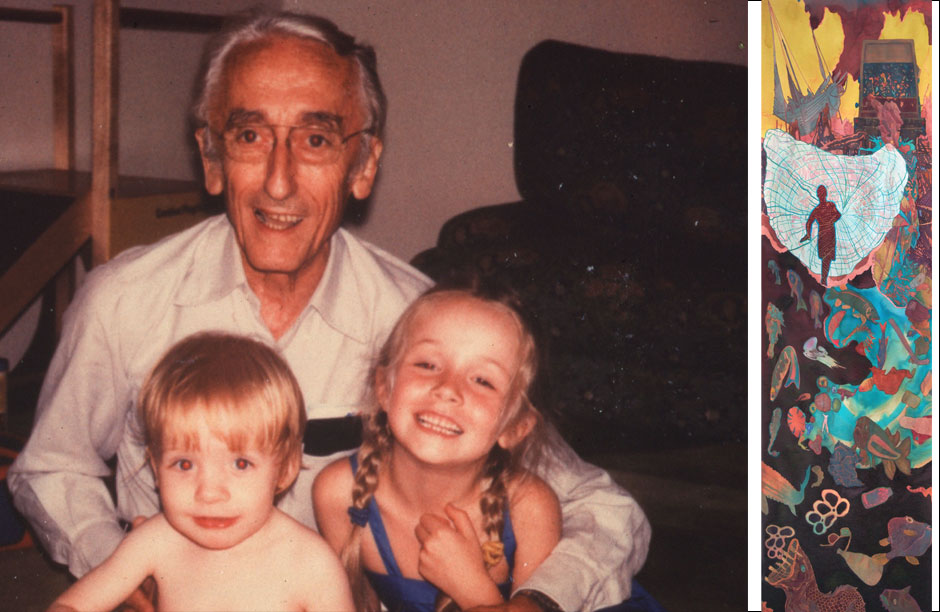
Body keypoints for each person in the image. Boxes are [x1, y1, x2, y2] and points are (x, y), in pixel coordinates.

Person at [9, 9, 649, 611]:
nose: (278, 181)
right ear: (211, 157)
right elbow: (52, 464)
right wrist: (117, 565)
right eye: (250, 135)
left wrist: (536, 600)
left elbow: (601, 506)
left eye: (316, 139)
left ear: (363, 164)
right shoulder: (121, 299)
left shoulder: (419, 327)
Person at [49, 333, 354, 612]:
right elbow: (72, 605)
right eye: (184, 464)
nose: (208, 492)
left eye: (240, 464)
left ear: (285, 470)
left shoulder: (311, 564)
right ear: (156, 469)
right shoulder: (156, 540)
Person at [314, 285, 561, 611]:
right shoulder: (339, 493)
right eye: (428, 365)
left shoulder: (528, 508)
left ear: (516, 428)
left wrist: (473, 589)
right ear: (383, 387)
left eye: (483, 381)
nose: (447, 389)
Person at [800, 185, 841, 287]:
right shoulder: (817, 210)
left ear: (825, 194)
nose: (821, 196)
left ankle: (824, 279)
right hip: (824, 235)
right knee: (825, 257)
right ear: (818, 195)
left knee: (827, 258)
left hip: (829, 233)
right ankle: (823, 279)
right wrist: (808, 234)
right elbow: (809, 222)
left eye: (822, 193)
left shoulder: (830, 205)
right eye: (820, 194)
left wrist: (829, 222)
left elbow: (838, 215)